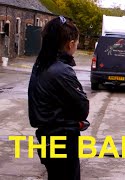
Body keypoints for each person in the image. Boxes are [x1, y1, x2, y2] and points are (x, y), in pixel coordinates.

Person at [28, 16, 89, 180]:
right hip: (61, 139)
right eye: (76, 43)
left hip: (47, 137)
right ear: (70, 44)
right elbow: (82, 108)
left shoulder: (41, 65)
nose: (76, 47)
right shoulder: (61, 71)